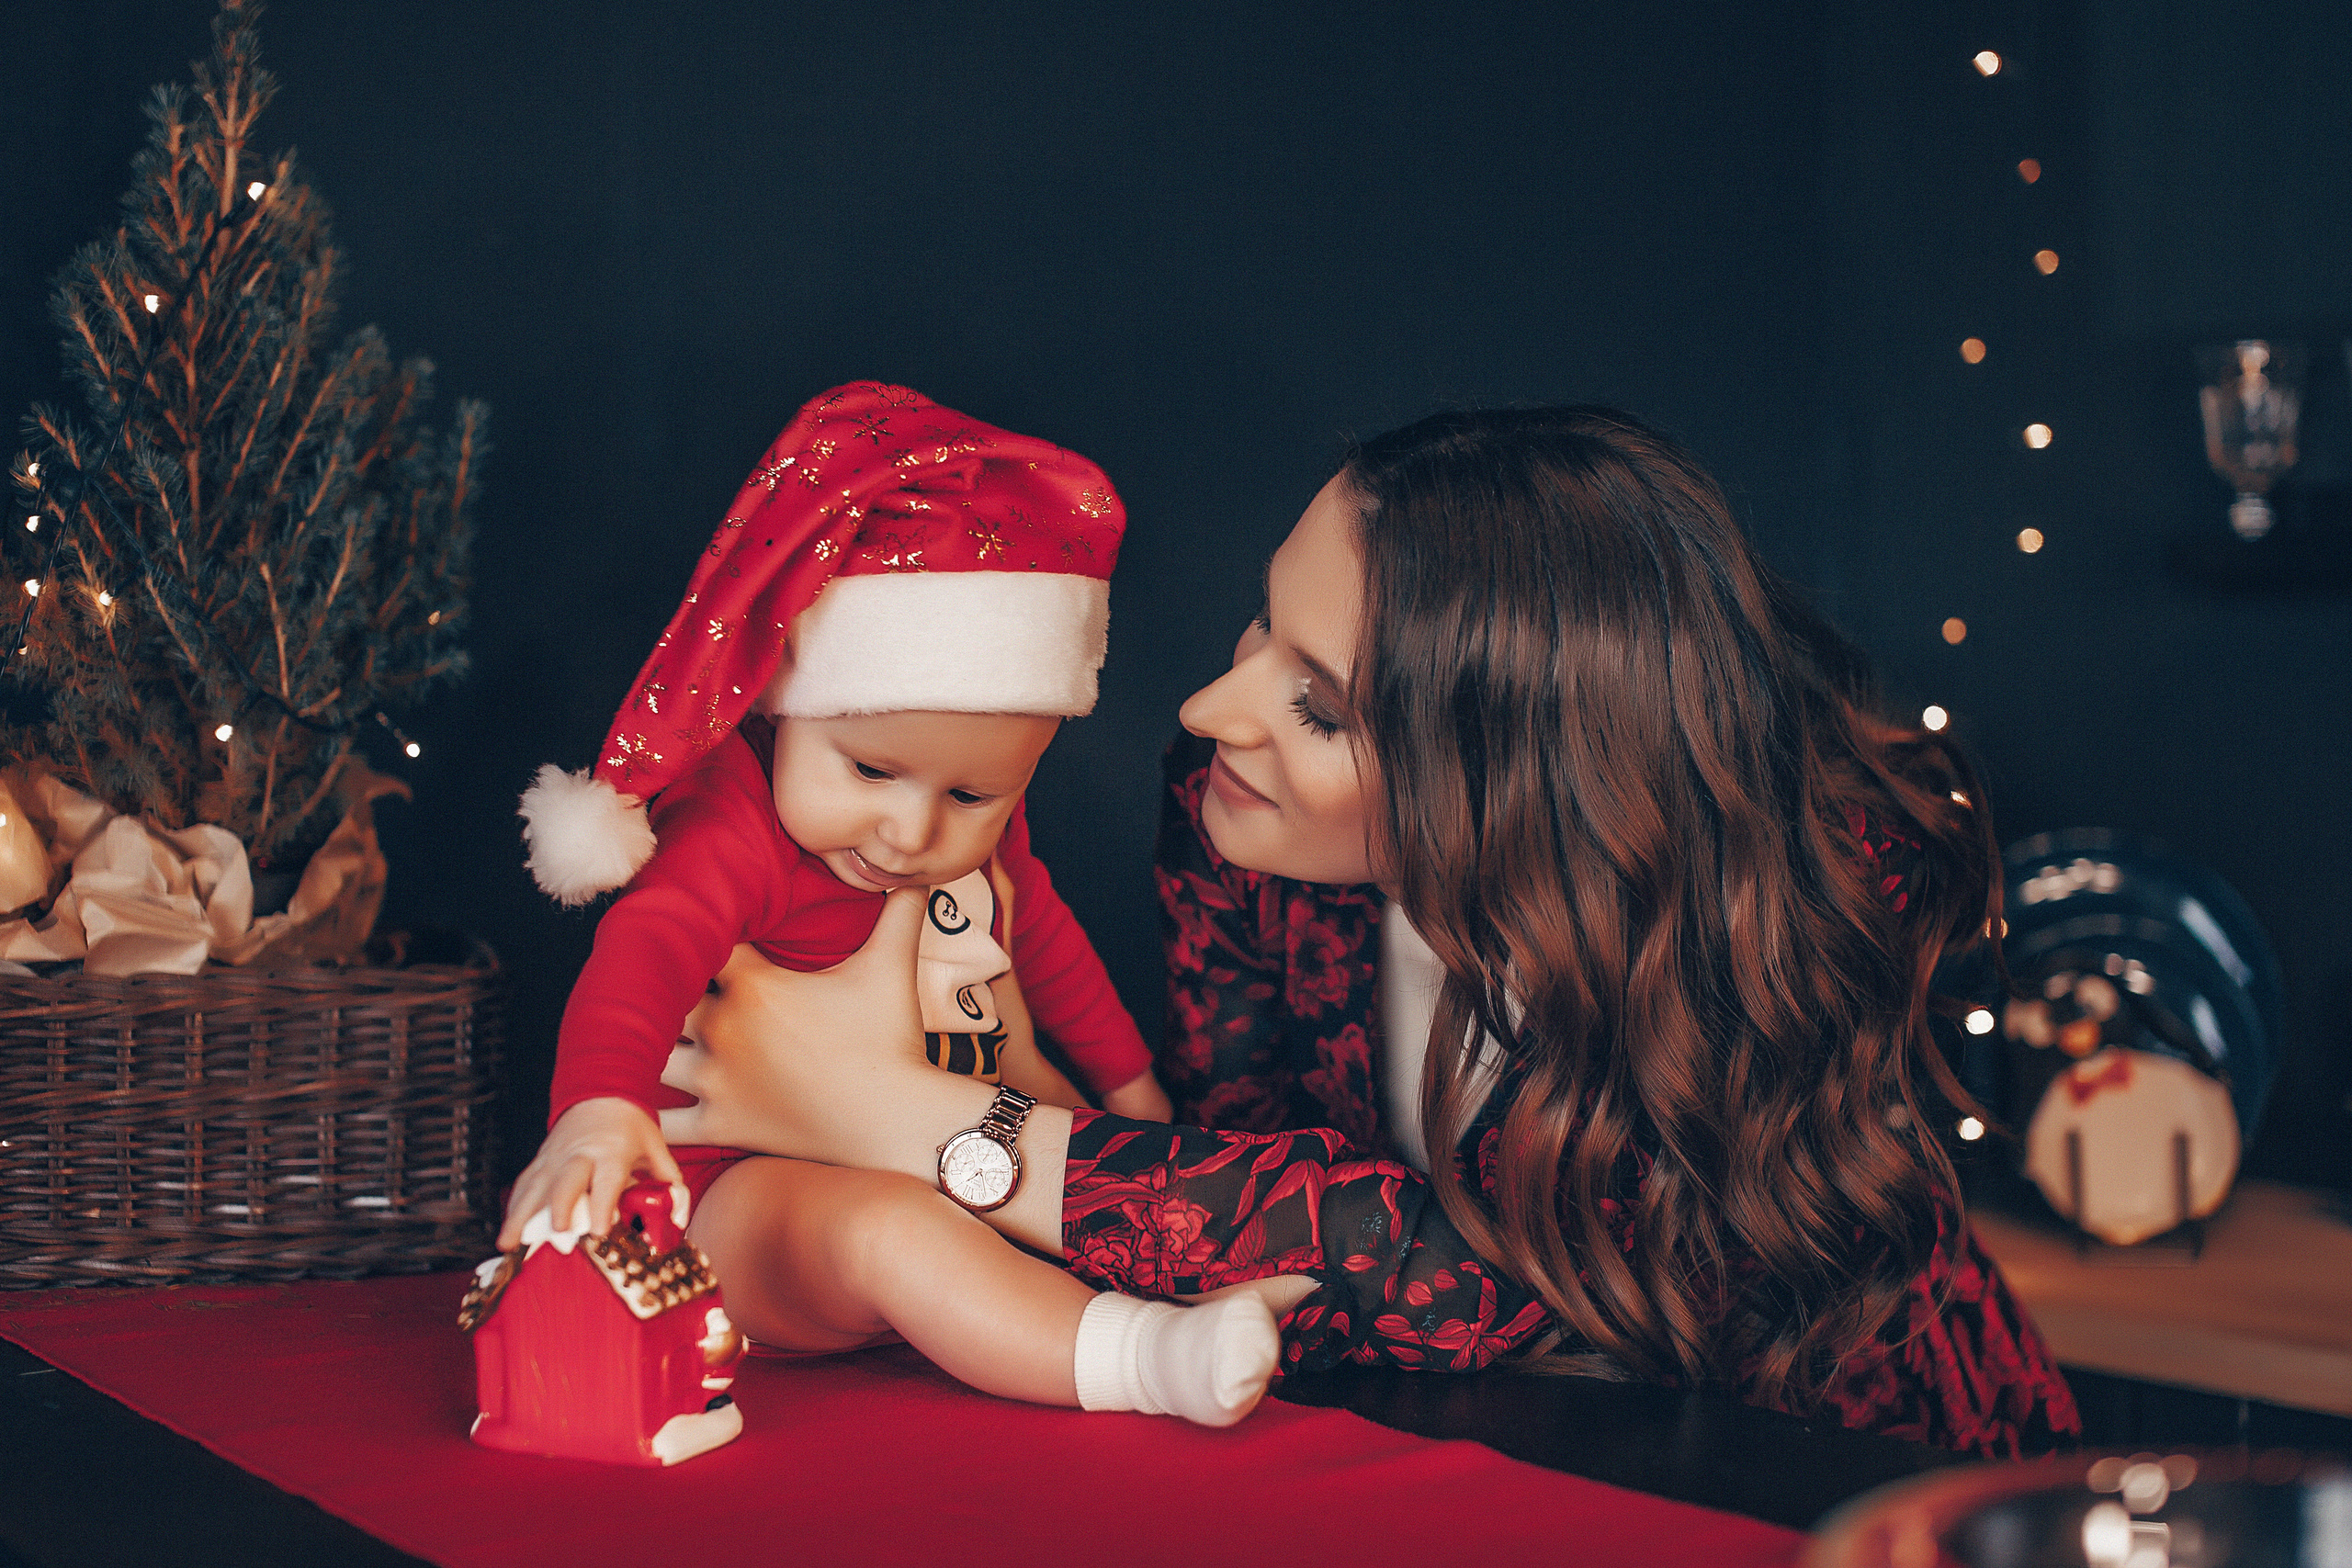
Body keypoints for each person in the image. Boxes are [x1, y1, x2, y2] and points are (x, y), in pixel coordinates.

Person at [661, 404, 2084, 1457]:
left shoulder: (1767, 944)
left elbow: (1458, 1276)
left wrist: (889, 1111)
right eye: (1259, 632)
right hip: (1502, 1459)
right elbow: (1266, 1208)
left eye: (1322, 706)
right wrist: (1008, 1077)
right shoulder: (1238, 816)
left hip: (1830, 1488)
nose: (1220, 713)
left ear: (1516, 787)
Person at [498, 382, 1271, 1428]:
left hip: (937, 1136)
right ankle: (1144, 1361)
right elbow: (648, 947)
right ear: (785, 703)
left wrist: (1135, 1099)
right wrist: (597, 1105)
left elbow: (1045, 941)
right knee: (889, 1231)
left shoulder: (979, 840)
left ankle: (1161, 1291)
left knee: (1024, 1182)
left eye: (969, 795)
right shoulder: (734, 823)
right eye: (868, 770)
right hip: (741, 1197)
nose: (911, 833)